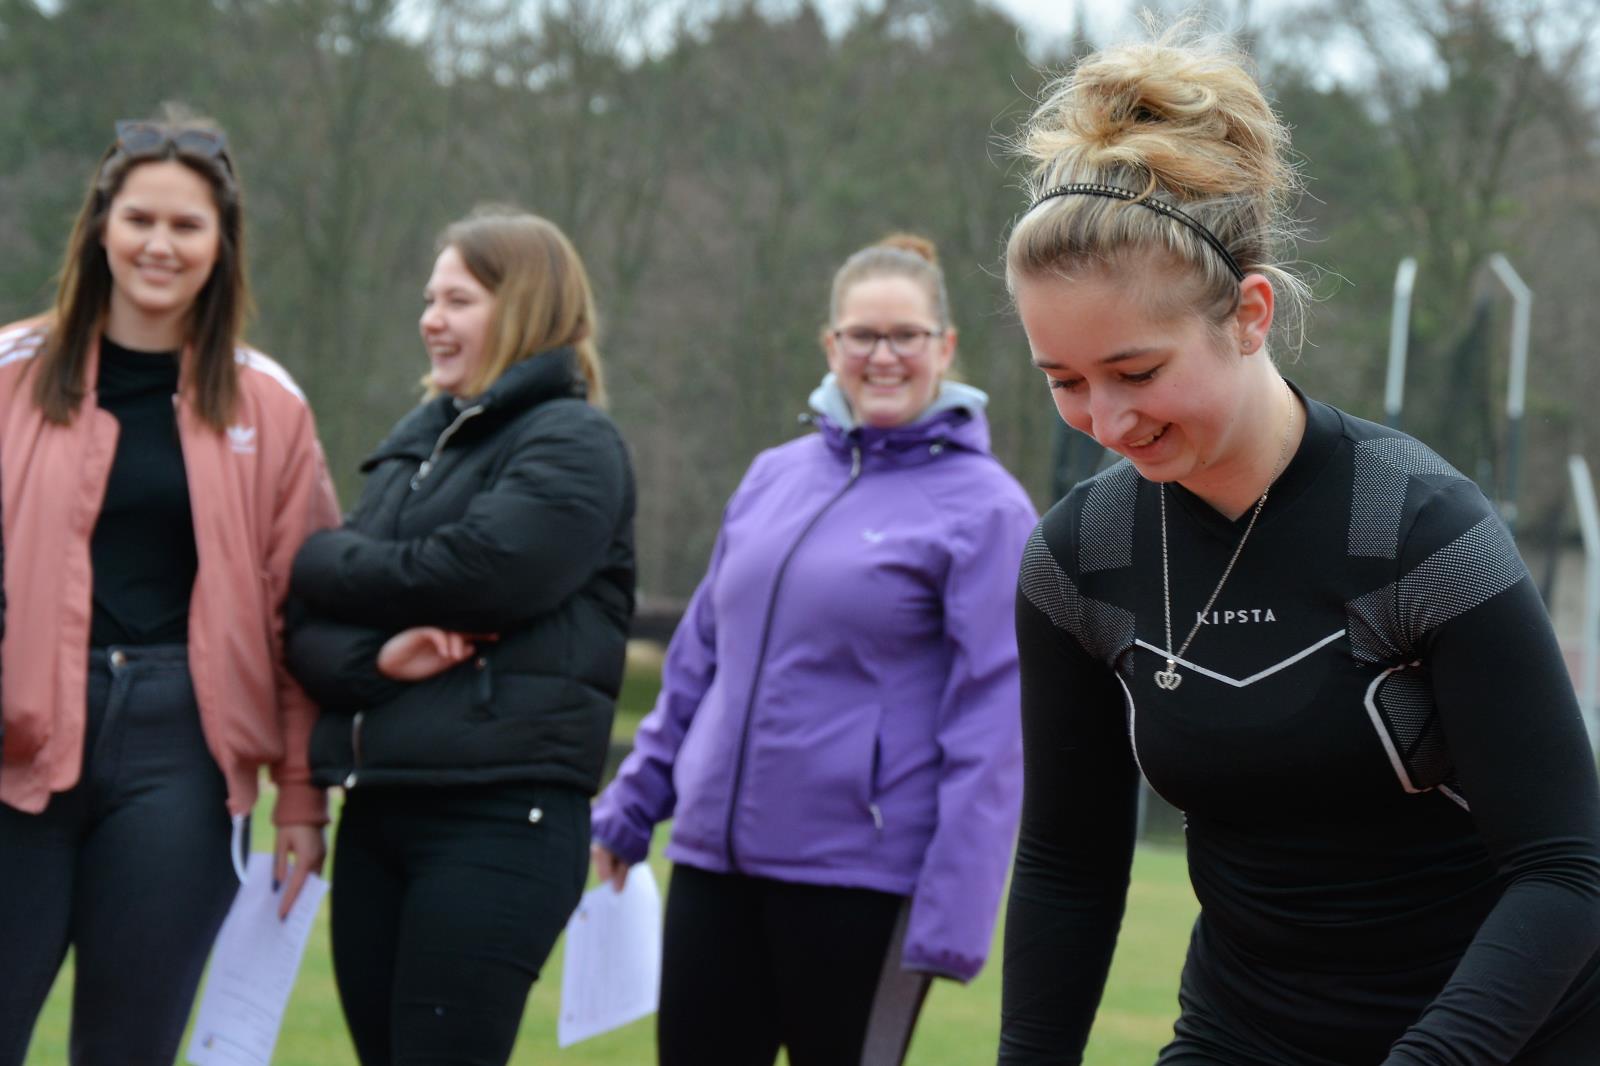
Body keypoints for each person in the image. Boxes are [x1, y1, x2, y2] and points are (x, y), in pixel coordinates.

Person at [997, 25, 1600, 1066]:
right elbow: (1068, 860)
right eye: (1064, 380)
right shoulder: (1080, 558)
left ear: (1249, 315)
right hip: (1246, 1032)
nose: (1101, 418)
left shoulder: (1413, 529)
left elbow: (1566, 869)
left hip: (1502, 1037)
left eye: (1135, 371)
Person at [592, 234, 1038, 1066]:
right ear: (831, 346)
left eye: (904, 335)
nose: (882, 355)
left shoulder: (989, 512)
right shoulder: (772, 477)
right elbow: (695, 669)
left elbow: (992, 731)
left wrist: (951, 916)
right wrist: (629, 809)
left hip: (861, 885)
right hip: (711, 867)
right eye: (861, 335)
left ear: (944, 347)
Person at [0, 111, 339, 1066]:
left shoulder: (268, 403)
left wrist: (304, 795)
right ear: (100, 226)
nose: (159, 244)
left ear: (222, 243)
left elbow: (303, 612)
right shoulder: (10, 374)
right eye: (139, 219)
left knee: (130, 1047)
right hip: (15, 746)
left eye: (187, 226)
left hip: (180, 762)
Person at [284, 206, 636, 1066]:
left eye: (458, 300)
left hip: (498, 819)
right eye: (429, 299)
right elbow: (304, 637)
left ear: (525, 308)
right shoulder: (414, 451)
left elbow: (481, 571)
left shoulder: (574, 441)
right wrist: (378, 657)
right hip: (380, 808)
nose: (430, 320)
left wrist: (327, 562)